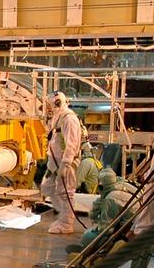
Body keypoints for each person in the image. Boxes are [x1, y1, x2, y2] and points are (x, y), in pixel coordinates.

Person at [42, 91, 83, 234]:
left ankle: (66, 222)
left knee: (65, 192)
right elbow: (55, 140)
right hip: (54, 161)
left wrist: (65, 164)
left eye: (49, 104)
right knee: (47, 188)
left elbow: (72, 143)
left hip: (65, 162)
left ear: (57, 102)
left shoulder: (69, 119)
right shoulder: (58, 118)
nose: (47, 108)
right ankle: (62, 215)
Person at [78, 168, 138, 247]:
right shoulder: (123, 184)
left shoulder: (111, 198)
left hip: (130, 228)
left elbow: (106, 226)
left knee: (87, 236)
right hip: (139, 222)